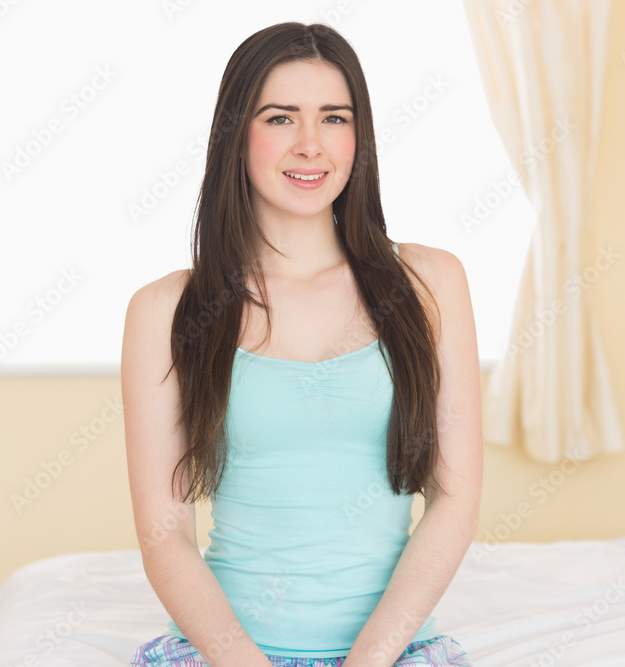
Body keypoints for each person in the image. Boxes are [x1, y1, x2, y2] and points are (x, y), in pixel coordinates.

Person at [121, 21, 482, 667]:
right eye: (281, 118)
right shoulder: (164, 310)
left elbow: (454, 499)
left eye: (334, 118)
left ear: (359, 137)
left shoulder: (431, 282)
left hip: (393, 654)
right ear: (236, 135)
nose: (311, 144)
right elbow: (164, 535)